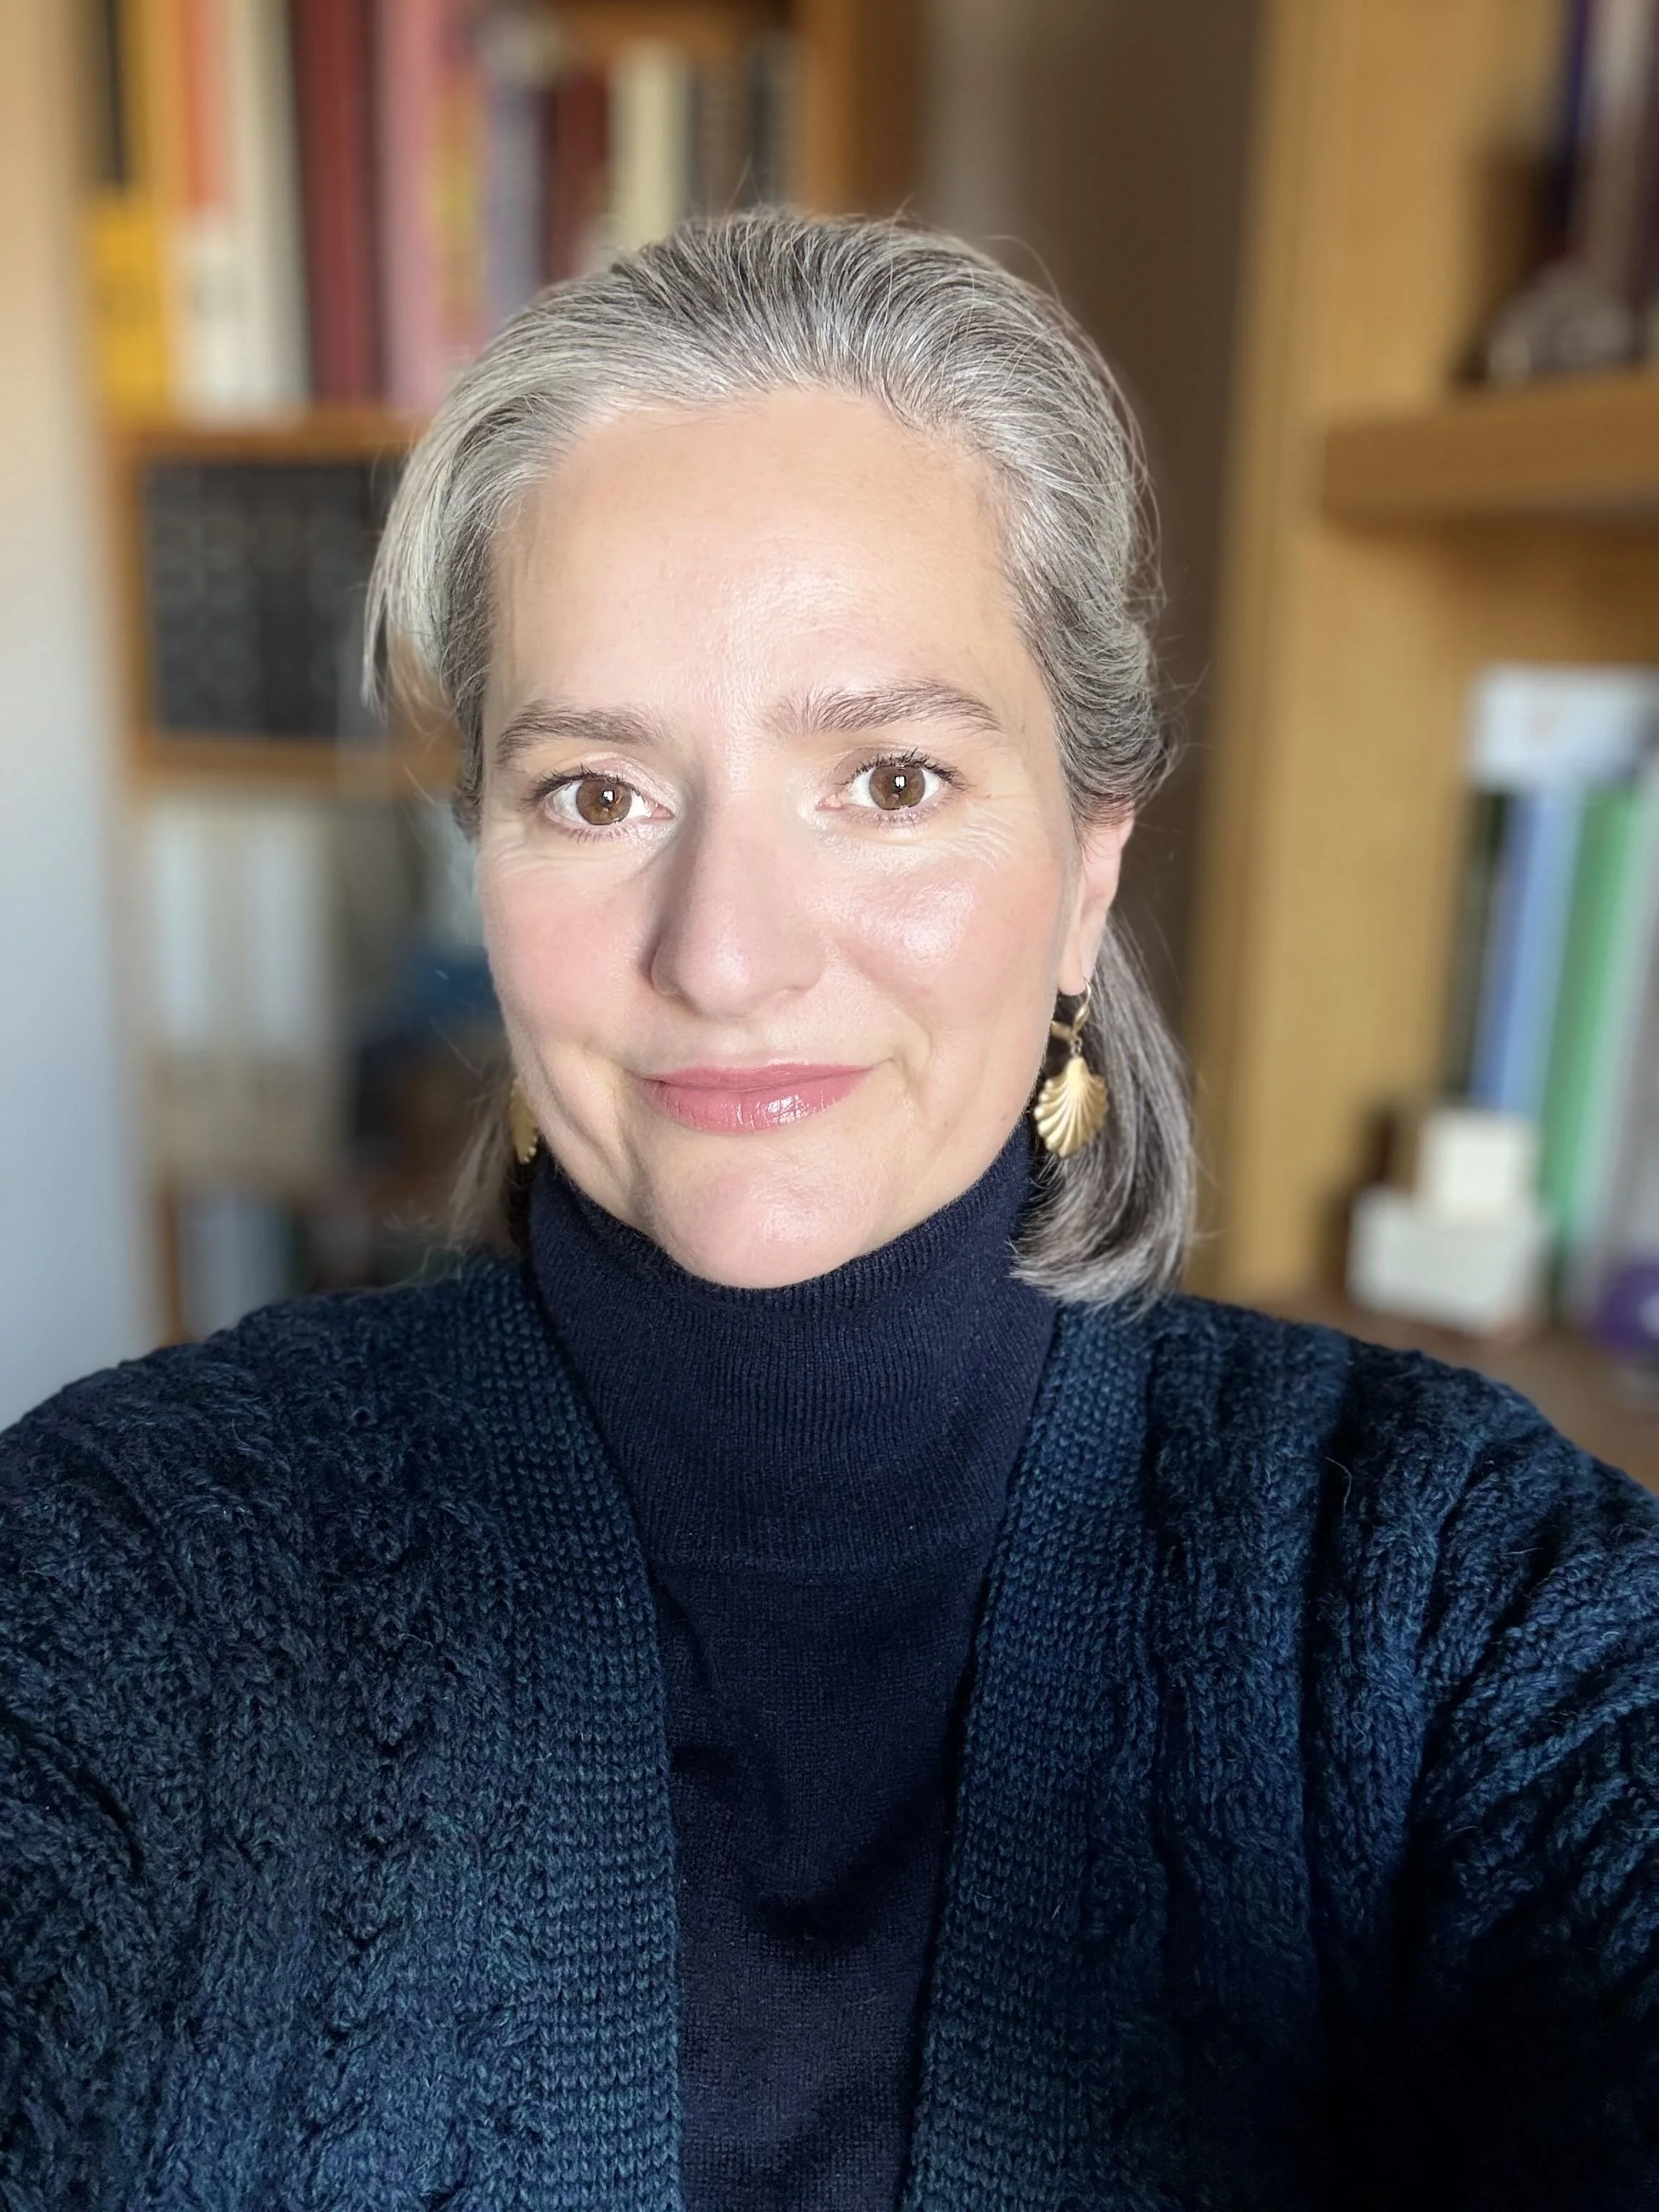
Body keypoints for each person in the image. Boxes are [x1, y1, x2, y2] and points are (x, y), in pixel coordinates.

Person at [3, 211, 1656, 2212]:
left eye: (886, 779)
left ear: (1083, 865)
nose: (723, 956)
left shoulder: (1448, 1594)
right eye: (596, 794)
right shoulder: (133, 1565)